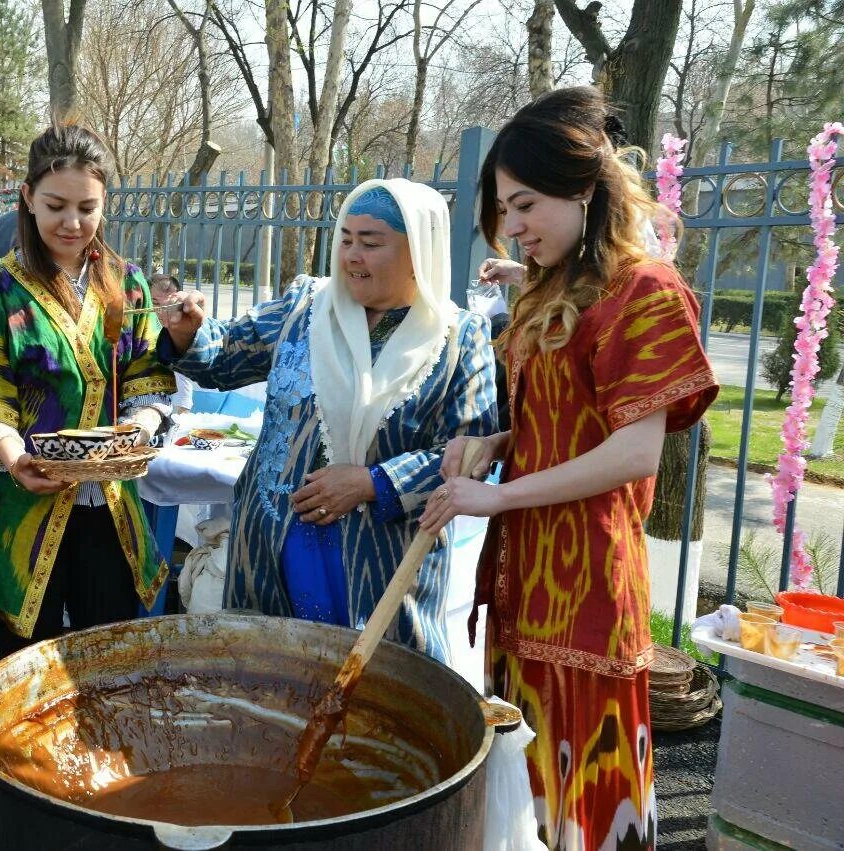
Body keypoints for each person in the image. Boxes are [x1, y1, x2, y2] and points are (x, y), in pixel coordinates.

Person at [418, 86, 719, 849]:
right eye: (503, 211)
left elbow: (633, 452)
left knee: (584, 805)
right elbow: (550, 420)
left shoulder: (646, 293)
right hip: (522, 586)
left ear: (584, 189)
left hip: (587, 592)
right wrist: (491, 447)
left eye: (524, 206)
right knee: (520, 800)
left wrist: (498, 495)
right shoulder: (559, 291)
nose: (512, 228)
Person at [160, 178, 497, 663]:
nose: (351, 256)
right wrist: (191, 332)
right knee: (268, 689)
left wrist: (373, 482)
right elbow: (225, 357)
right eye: (346, 238)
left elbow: (471, 453)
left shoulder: (459, 339)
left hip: (380, 563)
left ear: (418, 251)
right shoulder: (306, 308)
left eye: (371, 242)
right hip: (274, 548)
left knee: (375, 701)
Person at [0, 126, 177, 654]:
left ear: (105, 203)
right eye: (56, 205)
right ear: (28, 198)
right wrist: (13, 456)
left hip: (107, 505)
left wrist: (134, 431)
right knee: (15, 668)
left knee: (103, 660)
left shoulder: (127, 283)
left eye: (87, 208)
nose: (73, 223)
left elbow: (147, 378)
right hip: (19, 503)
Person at [150, 272, 195, 414]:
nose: (162, 312)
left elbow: (183, 393)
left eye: (169, 304)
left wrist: (181, 416)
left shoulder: (180, 334)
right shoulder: (134, 334)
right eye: (155, 303)